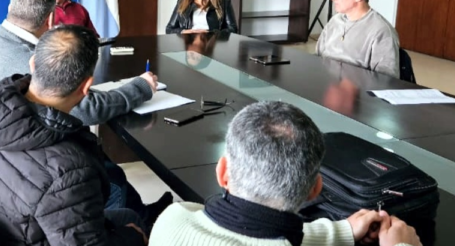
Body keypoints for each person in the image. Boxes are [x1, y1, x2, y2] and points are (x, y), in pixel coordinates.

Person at [0, 0, 172, 228]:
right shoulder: (25, 57)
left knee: (101, 160)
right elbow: (85, 109)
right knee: (107, 173)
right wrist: (140, 88)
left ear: (11, 7)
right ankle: (140, 224)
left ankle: (141, 215)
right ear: (50, 20)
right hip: (18, 175)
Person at [0, 25, 149, 245]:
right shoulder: (68, 171)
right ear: (86, 87)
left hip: (5, 222)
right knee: (134, 225)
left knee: (130, 216)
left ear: (32, 64)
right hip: (30, 233)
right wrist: (133, 237)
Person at [150, 101, 422, 246]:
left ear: (222, 173)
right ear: (315, 189)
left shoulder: (171, 220)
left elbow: (253, 231)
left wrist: (342, 232)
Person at [316, 0, 401, 78]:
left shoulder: (381, 30)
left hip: (356, 90)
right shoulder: (335, 21)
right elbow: (317, 58)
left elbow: (386, 79)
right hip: (326, 82)